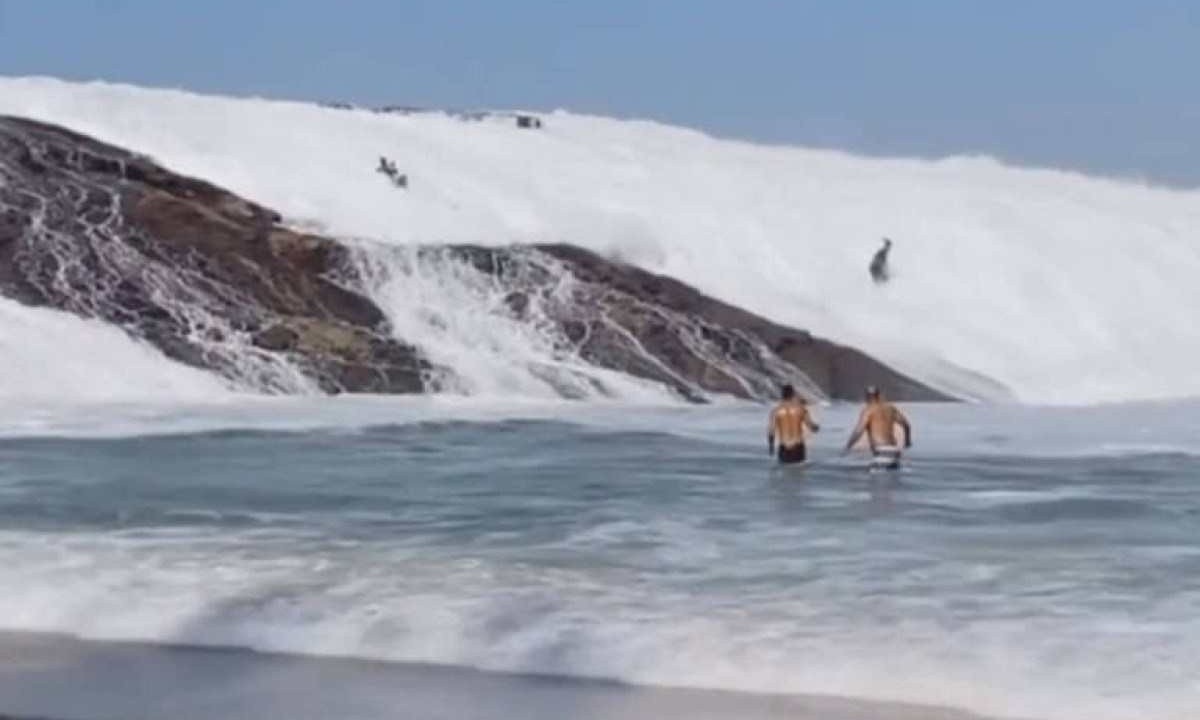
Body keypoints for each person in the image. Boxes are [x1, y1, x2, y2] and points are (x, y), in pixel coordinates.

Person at [844, 386, 911, 469]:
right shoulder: (890, 408)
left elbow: (859, 430)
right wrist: (907, 441)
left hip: (880, 450)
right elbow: (906, 425)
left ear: (866, 397)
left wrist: (848, 446)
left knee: (877, 479)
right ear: (879, 395)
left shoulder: (868, 410)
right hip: (894, 450)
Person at [768, 384, 820, 464]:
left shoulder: (775, 411)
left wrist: (771, 447)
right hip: (798, 447)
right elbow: (811, 426)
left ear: (782, 395)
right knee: (799, 472)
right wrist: (816, 427)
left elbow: (771, 431)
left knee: (784, 473)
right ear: (793, 394)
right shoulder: (801, 409)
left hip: (784, 448)